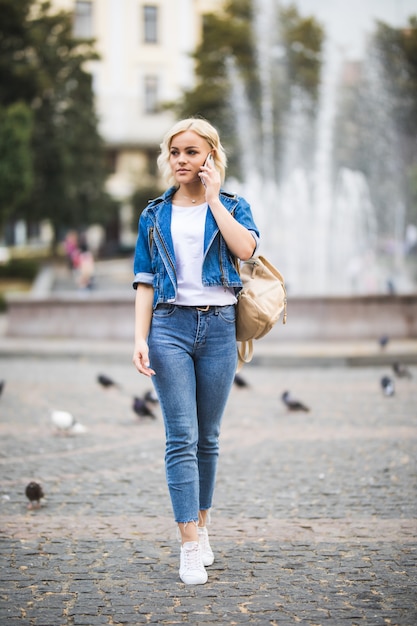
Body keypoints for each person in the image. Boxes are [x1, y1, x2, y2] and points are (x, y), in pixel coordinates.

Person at [132, 118, 260, 585]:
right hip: (169, 327)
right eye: (175, 152)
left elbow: (246, 250)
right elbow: (144, 280)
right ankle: (188, 542)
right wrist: (140, 337)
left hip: (221, 326)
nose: (182, 160)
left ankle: (203, 524)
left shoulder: (231, 204)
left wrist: (212, 200)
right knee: (180, 436)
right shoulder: (153, 214)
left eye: (192, 152)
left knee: (208, 437)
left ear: (210, 155)